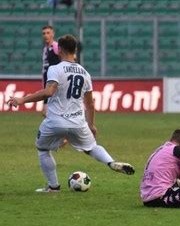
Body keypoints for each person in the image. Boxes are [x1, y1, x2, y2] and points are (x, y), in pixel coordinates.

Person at [7, 34, 135, 193]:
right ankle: (110, 162)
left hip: (55, 122)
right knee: (91, 148)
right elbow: (90, 104)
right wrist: (91, 125)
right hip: (78, 122)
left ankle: (53, 187)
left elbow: (49, 92)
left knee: (42, 148)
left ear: (59, 49)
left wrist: (22, 100)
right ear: (75, 50)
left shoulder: (55, 69)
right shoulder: (84, 73)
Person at [41, 25, 61, 117]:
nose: (46, 35)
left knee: (49, 112)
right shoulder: (45, 49)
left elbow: (69, 57)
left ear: (53, 34)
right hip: (47, 81)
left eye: (48, 33)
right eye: (44, 33)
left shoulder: (56, 46)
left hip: (55, 83)